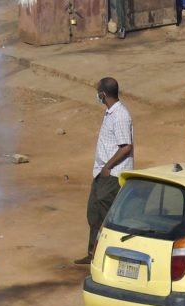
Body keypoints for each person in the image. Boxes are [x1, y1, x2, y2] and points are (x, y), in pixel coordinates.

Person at [74, 77, 133, 265]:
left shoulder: (120, 115)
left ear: (103, 94)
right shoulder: (110, 113)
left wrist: (108, 167)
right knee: (94, 213)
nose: (97, 95)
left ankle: (116, 256)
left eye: (98, 91)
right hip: (101, 173)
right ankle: (93, 252)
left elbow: (126, 147)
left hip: (113, 174)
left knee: (109, 216)